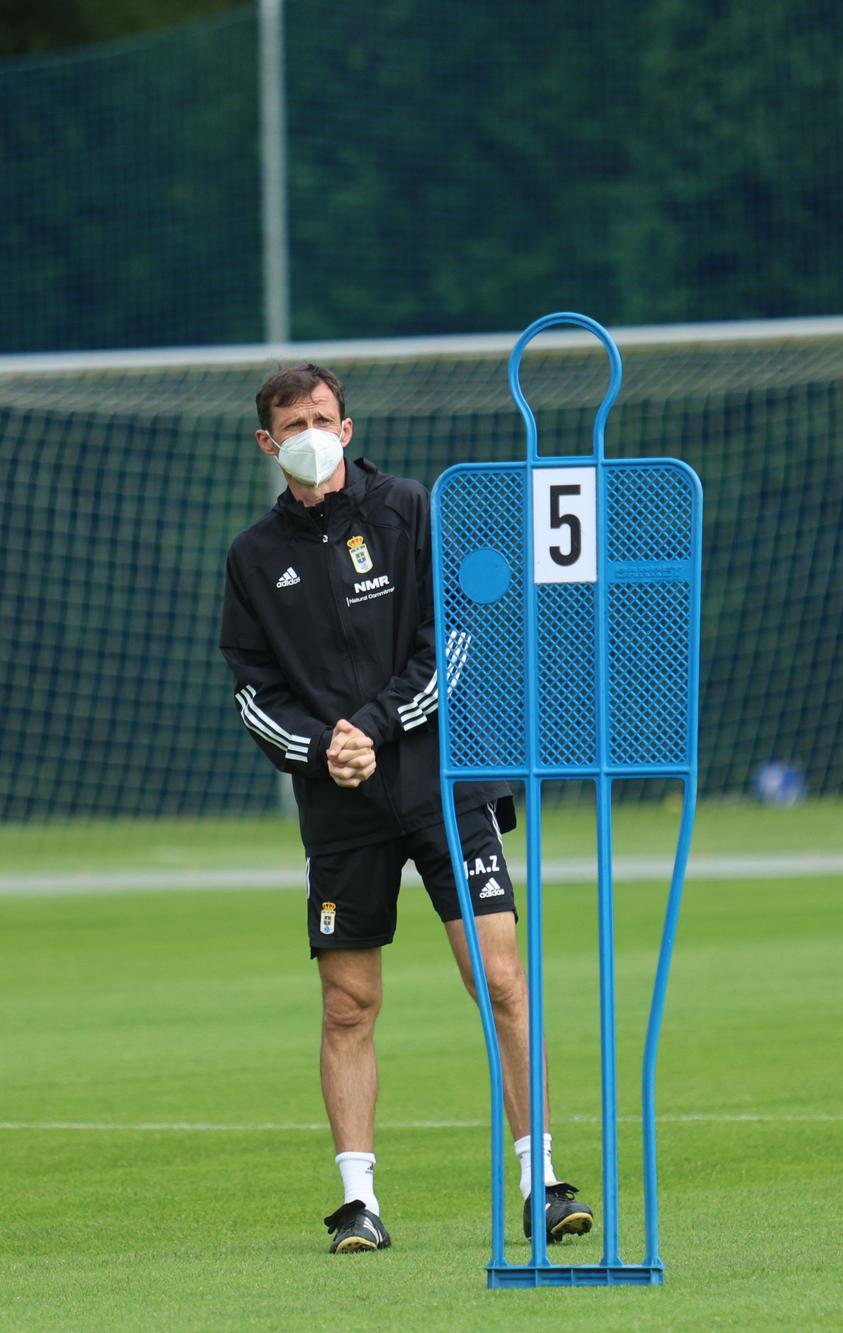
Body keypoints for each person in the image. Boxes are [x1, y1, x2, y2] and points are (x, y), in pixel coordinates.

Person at [219, 363, 593, 1254]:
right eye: (293, 423)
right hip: (340, 804)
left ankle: (542, 1180)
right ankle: (359, 1202)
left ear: (347, 427)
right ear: (269, 445)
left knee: (500, 977)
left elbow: (453, 643)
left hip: (442, 782)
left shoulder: (408, 509)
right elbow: (253, 691)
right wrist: (323, 748)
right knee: (348, 1002)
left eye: (324, 416)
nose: (312, 432)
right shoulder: (252, 557)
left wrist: (372, 728)